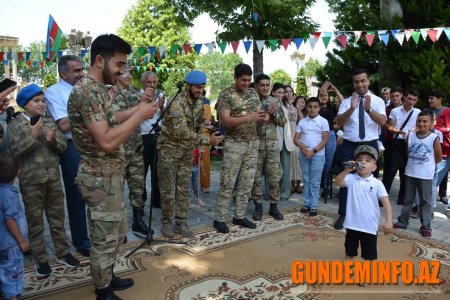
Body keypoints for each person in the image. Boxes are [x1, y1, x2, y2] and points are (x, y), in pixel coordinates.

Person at [68, 34, 158, 300]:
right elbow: (106, 140)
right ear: (99, 60)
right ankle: (102, 290)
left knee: (115, 235)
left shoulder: (99, 90)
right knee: (104, 238)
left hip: (110, 175)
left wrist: (138, 109)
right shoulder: (86, 91)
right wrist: (140, 116)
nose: (122, 71)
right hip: (98, 176)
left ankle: (108, 275)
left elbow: (112, 118)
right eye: (119, 64)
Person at [9, 84, 80, 277]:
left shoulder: (49, 121)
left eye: (43, 100)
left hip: (52, 178)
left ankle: (63, 252)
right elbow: (14, 152)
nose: (42, 104)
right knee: (35, 221)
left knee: (57, 218)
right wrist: (32, 136)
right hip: (31, 181)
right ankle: (41, 258)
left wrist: (53, 141)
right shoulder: (16, 125)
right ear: (25, 104)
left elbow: (64, 145)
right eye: (36, 101)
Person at [158, 70, 223, 238]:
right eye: (197, 88)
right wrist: (207, 141)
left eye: (202, 88)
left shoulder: (199, 101)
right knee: (167, 189)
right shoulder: (176, 104)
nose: (200, 91)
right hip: (169, 151)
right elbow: (182, 132)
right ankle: (166, 222)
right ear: (188, 86)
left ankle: (181, 222)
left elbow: (200, 124)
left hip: (186, 151)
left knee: (183, 188)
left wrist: (200, 142)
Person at [44, 55, 91, 257]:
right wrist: (90, 115)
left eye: (82, 69)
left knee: (99, 190)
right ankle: (82, 240)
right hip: (72, 147)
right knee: (77, 195)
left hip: (93, 142)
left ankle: (103, 234)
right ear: (63, 73)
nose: (82, 74)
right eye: (76, 71)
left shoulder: (87, 88)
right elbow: (63, 125)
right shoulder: (54, 92)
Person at [213, 63, 267, 234]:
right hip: (234, 144)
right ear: (235, 77)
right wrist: (249, 117)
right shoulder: (226, 94)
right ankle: (219, 218)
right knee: (228, 182)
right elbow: (226, 121)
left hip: (252, 144)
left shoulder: (252, 92)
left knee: (246, 183)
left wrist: (263, 116)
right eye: (243, 80)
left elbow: (258, 114)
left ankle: (239, 215)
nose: (246, 83)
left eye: (249, 80)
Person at [333, 68, 386, 230]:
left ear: (368, 81)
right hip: (349, 144)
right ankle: (343, 213)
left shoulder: (377, 100)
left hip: (369, 143)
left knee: (369, 179)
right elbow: (339, 123)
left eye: (363, 81)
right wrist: (352, 108)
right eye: (356, 81)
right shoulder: (347, 101)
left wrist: (369, 110)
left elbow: (383, 121)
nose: (360, 84)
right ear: (353, 83)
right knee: (347, 175)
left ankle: (367, 214)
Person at [335, 145, 392, 262]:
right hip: (352, 224)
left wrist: (389, 221)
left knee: (369, 255)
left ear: (374, 167)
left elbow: (386, 203)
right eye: (359, 160)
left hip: (369, 226)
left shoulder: (377, 183)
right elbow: (338, 182)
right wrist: (345, 171)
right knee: (349, 251)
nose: (363, 162)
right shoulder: (350, 178)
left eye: (368, 160)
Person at [111, 70, 149, 235]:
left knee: (138, 188)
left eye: (130, 73)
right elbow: (116, 117)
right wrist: (139, 108)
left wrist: (148, 105)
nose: (129, 76)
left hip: (136, 149)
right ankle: (119, 229)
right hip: (118, 151)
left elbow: (146, 115)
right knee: (117, 191)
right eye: (125, 73)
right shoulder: (110, 92)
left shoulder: (135, 93)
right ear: (117, 75)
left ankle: (137, 220)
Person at [394, 110, 442, 238]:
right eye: (419, 121)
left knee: (425, 201)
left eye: (425, 121)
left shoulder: (434, 138)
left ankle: (426, 226)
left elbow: (438, 157)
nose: (421, 123)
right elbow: (408, 152)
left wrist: (428, 166)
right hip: (410, 172)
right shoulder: (410, 136)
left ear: (431, 123)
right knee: (408, 199)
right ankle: (402, 222)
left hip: (426, 175)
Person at [250, 74, 286, 221]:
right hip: (255, 144)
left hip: (272, 145)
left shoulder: (275, 101)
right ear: (257, 86)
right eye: (262, 85)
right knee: (255, 177)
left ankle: (273, 207)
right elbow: (246, 123)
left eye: (267, 85)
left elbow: (283, 122)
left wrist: (273, 113)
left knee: (273, 177)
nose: (265, 88)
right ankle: (258, 207)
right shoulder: (251, 102)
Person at [382, 89, 421, 204]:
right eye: (409, 98)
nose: (411, 101)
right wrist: (400, 132)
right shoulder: (395, 111)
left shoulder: (417, 111)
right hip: (397, 143)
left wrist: (413, 130)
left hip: (410, 144)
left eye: (414, 100)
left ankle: (402, 198)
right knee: (391, 171)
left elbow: (419, 126)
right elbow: (389, 127)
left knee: (406, 172)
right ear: (404, 98)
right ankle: (383, 198)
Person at [0, 153, 29, 300]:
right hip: (10, 246)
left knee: (3, 275)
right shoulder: (9, 195)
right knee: (13, 278)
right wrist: (22, 241)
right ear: (18, 172)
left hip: (2, 244)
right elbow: (10, 220)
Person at [294, 97, 329, 216]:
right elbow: (296, 139)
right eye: (310, 106)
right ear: (307, 107)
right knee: (306, 180)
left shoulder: (323, 121)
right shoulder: (302, 122)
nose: (312, 109)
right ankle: (306, 204)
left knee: (315, 181)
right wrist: (304, 149)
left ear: (319, 108)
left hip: (317, 155)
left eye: (315, 107)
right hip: (304, 154)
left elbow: (325, 140)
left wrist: (313, 151)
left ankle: (313, 206)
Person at [140, 71, 165, 209]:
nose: (152, 85)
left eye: (154, 82)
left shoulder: (161, 95)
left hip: (157, 136)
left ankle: (156, 200)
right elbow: (139, 115)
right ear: (142, 83)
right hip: (142, 136)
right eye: (149, 82)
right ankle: (141, 202)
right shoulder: (138, 96)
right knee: (141, 171)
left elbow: (166, 115)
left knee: (157, 170)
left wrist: (161, 106)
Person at [318, 81, 344, 198]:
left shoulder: (332, 108)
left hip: (330, 137)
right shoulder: (314, 108)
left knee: (328, 163)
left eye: (326, 96)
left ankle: (326, 186)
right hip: (317, 137)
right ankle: (318, 184)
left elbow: (343, 102)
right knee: (318, 162)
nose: (324, 97)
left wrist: (335, 89)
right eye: (322, 95)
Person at [272, 83, 296, 201]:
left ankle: (285, 193)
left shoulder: (286, 106)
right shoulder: (270, 104)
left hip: (286, 141)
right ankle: (271, 193)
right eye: (279, 93)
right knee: (273, 170)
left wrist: (291, 106)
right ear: (273, 93)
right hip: (274, 141)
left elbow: (293, 119)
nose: (281, 95)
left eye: (282, 93)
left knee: (286, 170)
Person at [428, 91, 448, 204]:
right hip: (432, 142)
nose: (430, 100)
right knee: (437, 170)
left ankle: (443, 194)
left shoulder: (445, 111)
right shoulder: (428, 111)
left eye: (432, 98)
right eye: (429, 98)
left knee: (443, 172)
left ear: (440, 99)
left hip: (445, 144)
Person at [285, 86, 302, 194]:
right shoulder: (282, 106)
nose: (288, 93)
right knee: (290, 160)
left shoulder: (296, 107)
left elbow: (302, 120)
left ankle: (299, 184)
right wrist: (290, 104)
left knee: (298, 159)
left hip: (296, 135)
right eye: (286, 92)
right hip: (287, 135)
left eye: (290, 91)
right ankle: (291, 184)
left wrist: (297, 108)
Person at [200, 96, 212, 193]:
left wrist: (201, 124)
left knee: (205, 160)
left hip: (204, 134)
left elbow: (207, 121)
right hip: (192, 133)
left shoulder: (207, 106)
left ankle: (205, 185)